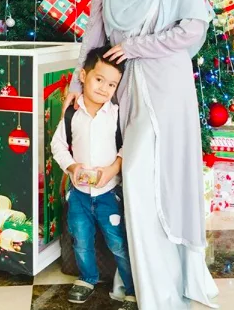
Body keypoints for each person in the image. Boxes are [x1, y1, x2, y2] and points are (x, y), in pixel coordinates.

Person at [64, 0, 219, 310]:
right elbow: (95, 33)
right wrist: (78, 81)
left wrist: (136, 46)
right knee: (133, 181)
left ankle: (166, 283)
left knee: (154, 174)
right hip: (125, 90)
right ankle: (142, 278)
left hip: (167, 88)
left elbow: (194, 27)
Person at [51, 46, 136, 309]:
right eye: (99, 79)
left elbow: (129, 146)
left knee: (118, 242)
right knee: (81, 239)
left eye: (111, 84)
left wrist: (112, 170)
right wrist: (72, 166)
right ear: (83, 76)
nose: (104, 88)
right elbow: (58, 145)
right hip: (79, 195)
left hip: (108, 194)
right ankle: (87, 278)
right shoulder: (72, 114)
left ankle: (132, 288)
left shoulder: (116, 114)